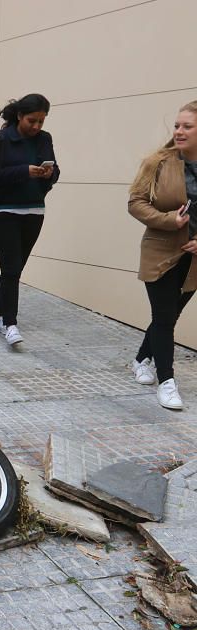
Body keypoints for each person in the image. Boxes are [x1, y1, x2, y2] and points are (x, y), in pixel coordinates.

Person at [126, 100, 197, 410]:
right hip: (160, 251)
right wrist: (171, 221)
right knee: (165, 317)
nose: (179, 131)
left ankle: (142, 358)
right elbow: (136, 202)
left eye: (187, 126)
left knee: (168, 315)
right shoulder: (158, 162)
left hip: (194, 258)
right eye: (177, 126)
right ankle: (167, 382)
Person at [0, 94, 59, 346]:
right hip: (3, 211)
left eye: (41, 121)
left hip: (34, 211)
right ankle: (10, 323)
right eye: (31, 121)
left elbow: (55, 172)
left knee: (14, 268)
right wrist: (25, 171)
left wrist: (49, 173)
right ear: (19, 116)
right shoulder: (2, 138)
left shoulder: (44, 139)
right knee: (11, 268)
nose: (36, 126)